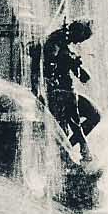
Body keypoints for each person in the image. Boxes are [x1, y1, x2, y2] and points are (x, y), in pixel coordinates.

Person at [43, 19, 101, 164]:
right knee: (73, 116)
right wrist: (67, 61)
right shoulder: (56, 40)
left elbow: (84, 78)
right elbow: (48, 65)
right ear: (76, 31)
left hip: (69, 92)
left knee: (95, 115)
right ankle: (82, 152)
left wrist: (78, 66)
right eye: (82, 38)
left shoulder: (68, 47)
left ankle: (65, 149)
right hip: (58, 93)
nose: (79, 42)